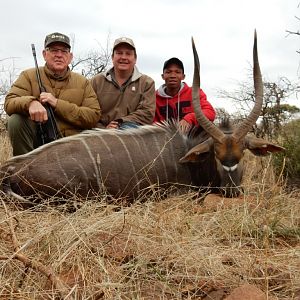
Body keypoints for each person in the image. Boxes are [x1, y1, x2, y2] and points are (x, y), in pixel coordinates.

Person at [5, 32, 101, 156]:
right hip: (37, 143)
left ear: (70, 57)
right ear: (44, 54)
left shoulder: (83, 82)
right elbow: (9, 101)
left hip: (72, 146)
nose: (59, 55)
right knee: (15, 121)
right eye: (54, 50)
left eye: (64, 51)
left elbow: (93, 116)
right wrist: (30, 103)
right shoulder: (28, 76)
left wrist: (57, 104)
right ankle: (24, 170)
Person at [91, 37, 155, 129]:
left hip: (131, 133)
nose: (123, 57)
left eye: (128, 54)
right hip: (100, 133)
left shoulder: (147, 83)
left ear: (135, 59)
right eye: (119, 53)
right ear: (112, 57)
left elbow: (147, 114)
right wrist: (104, 129)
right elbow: (90, 112)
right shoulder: (96, 81)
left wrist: (119, 123)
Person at [154, 57, 215, 133]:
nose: (173, 75)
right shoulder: (154, 97)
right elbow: (153, 123)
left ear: (183, 76)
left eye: (177, 72)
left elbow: (210, 112)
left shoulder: (194, 92)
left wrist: (189, 119)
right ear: (163, 76)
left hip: (195, 138)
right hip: (167, 140)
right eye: (168, 72)